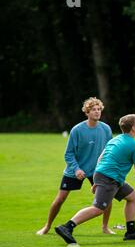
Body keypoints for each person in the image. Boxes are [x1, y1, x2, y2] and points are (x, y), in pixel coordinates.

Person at [54, 114, 135, 244]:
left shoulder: (115, 140)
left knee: (132, 197)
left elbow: (100, 158)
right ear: (132, 128)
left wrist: (96, 180)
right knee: (98, 208)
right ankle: (67, 227)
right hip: (110, 178)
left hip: (106, 175)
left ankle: (131, 232)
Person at [36, 97, 114, 236]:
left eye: (99, 109)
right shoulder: (77, 130)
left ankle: (105, 227)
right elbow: (69, 154)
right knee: (60, 199)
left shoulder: (106, 129)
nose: (97, 112)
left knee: (106, 197)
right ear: (87, 112)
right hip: (75, 170)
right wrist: (76, 169)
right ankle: (47, 226)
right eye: (93, 110)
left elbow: (109, 150)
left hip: (97, 171)